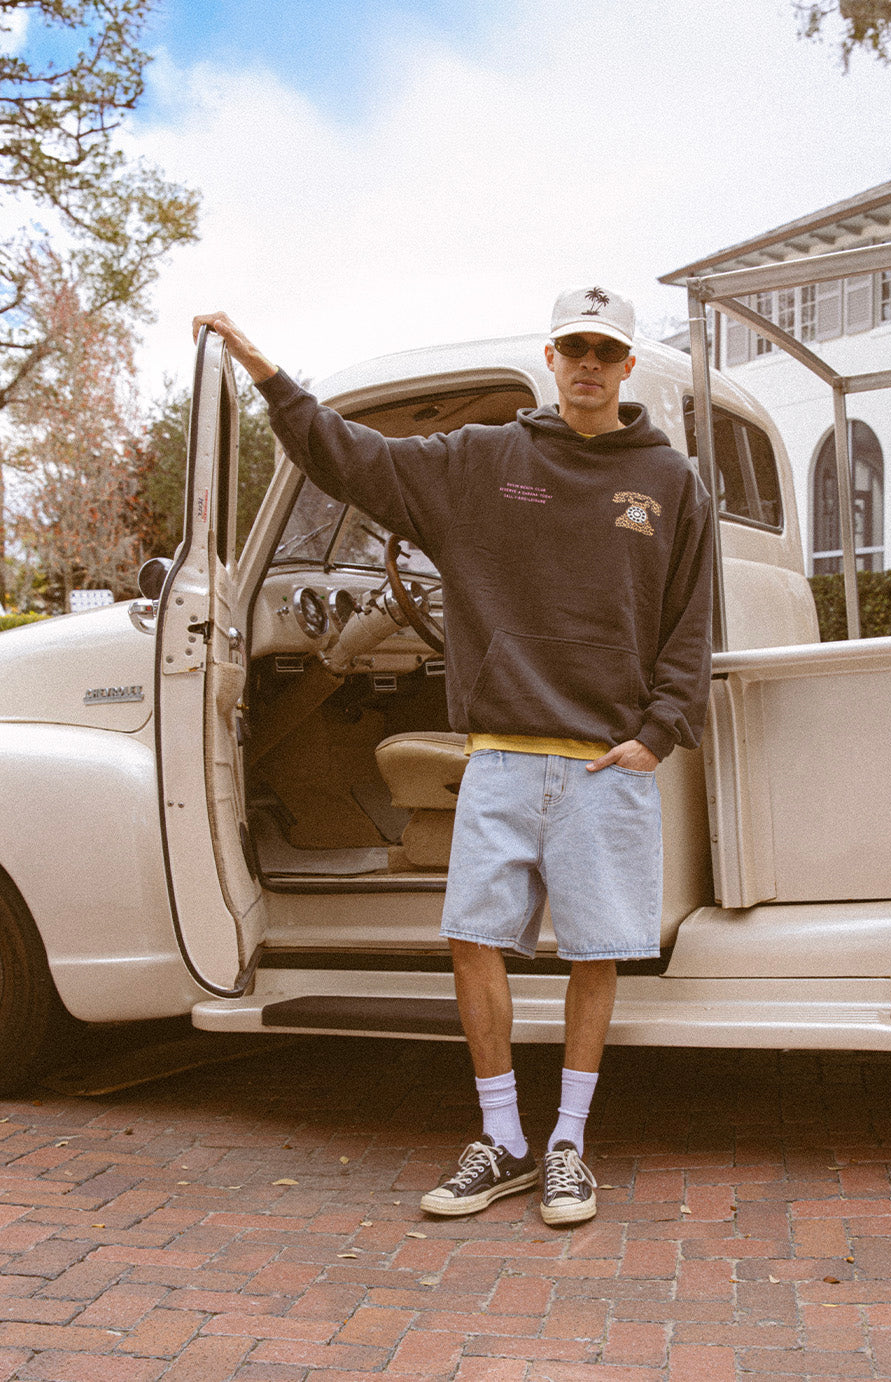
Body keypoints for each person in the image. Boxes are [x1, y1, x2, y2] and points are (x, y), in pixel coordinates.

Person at [191, 286, 713, 1226]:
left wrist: (656, 736)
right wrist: (266, 374)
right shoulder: (481, 461)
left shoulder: (670, 483)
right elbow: (348, 455)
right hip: (502, 758)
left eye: (606, 350)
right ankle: (504, 1140)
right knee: (473, 943)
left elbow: (690, 624)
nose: (589, 364)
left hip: (606, 765)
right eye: (574, 347)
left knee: (595, 956)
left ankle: (568, 1145)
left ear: (627, 365)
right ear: (551, 358)